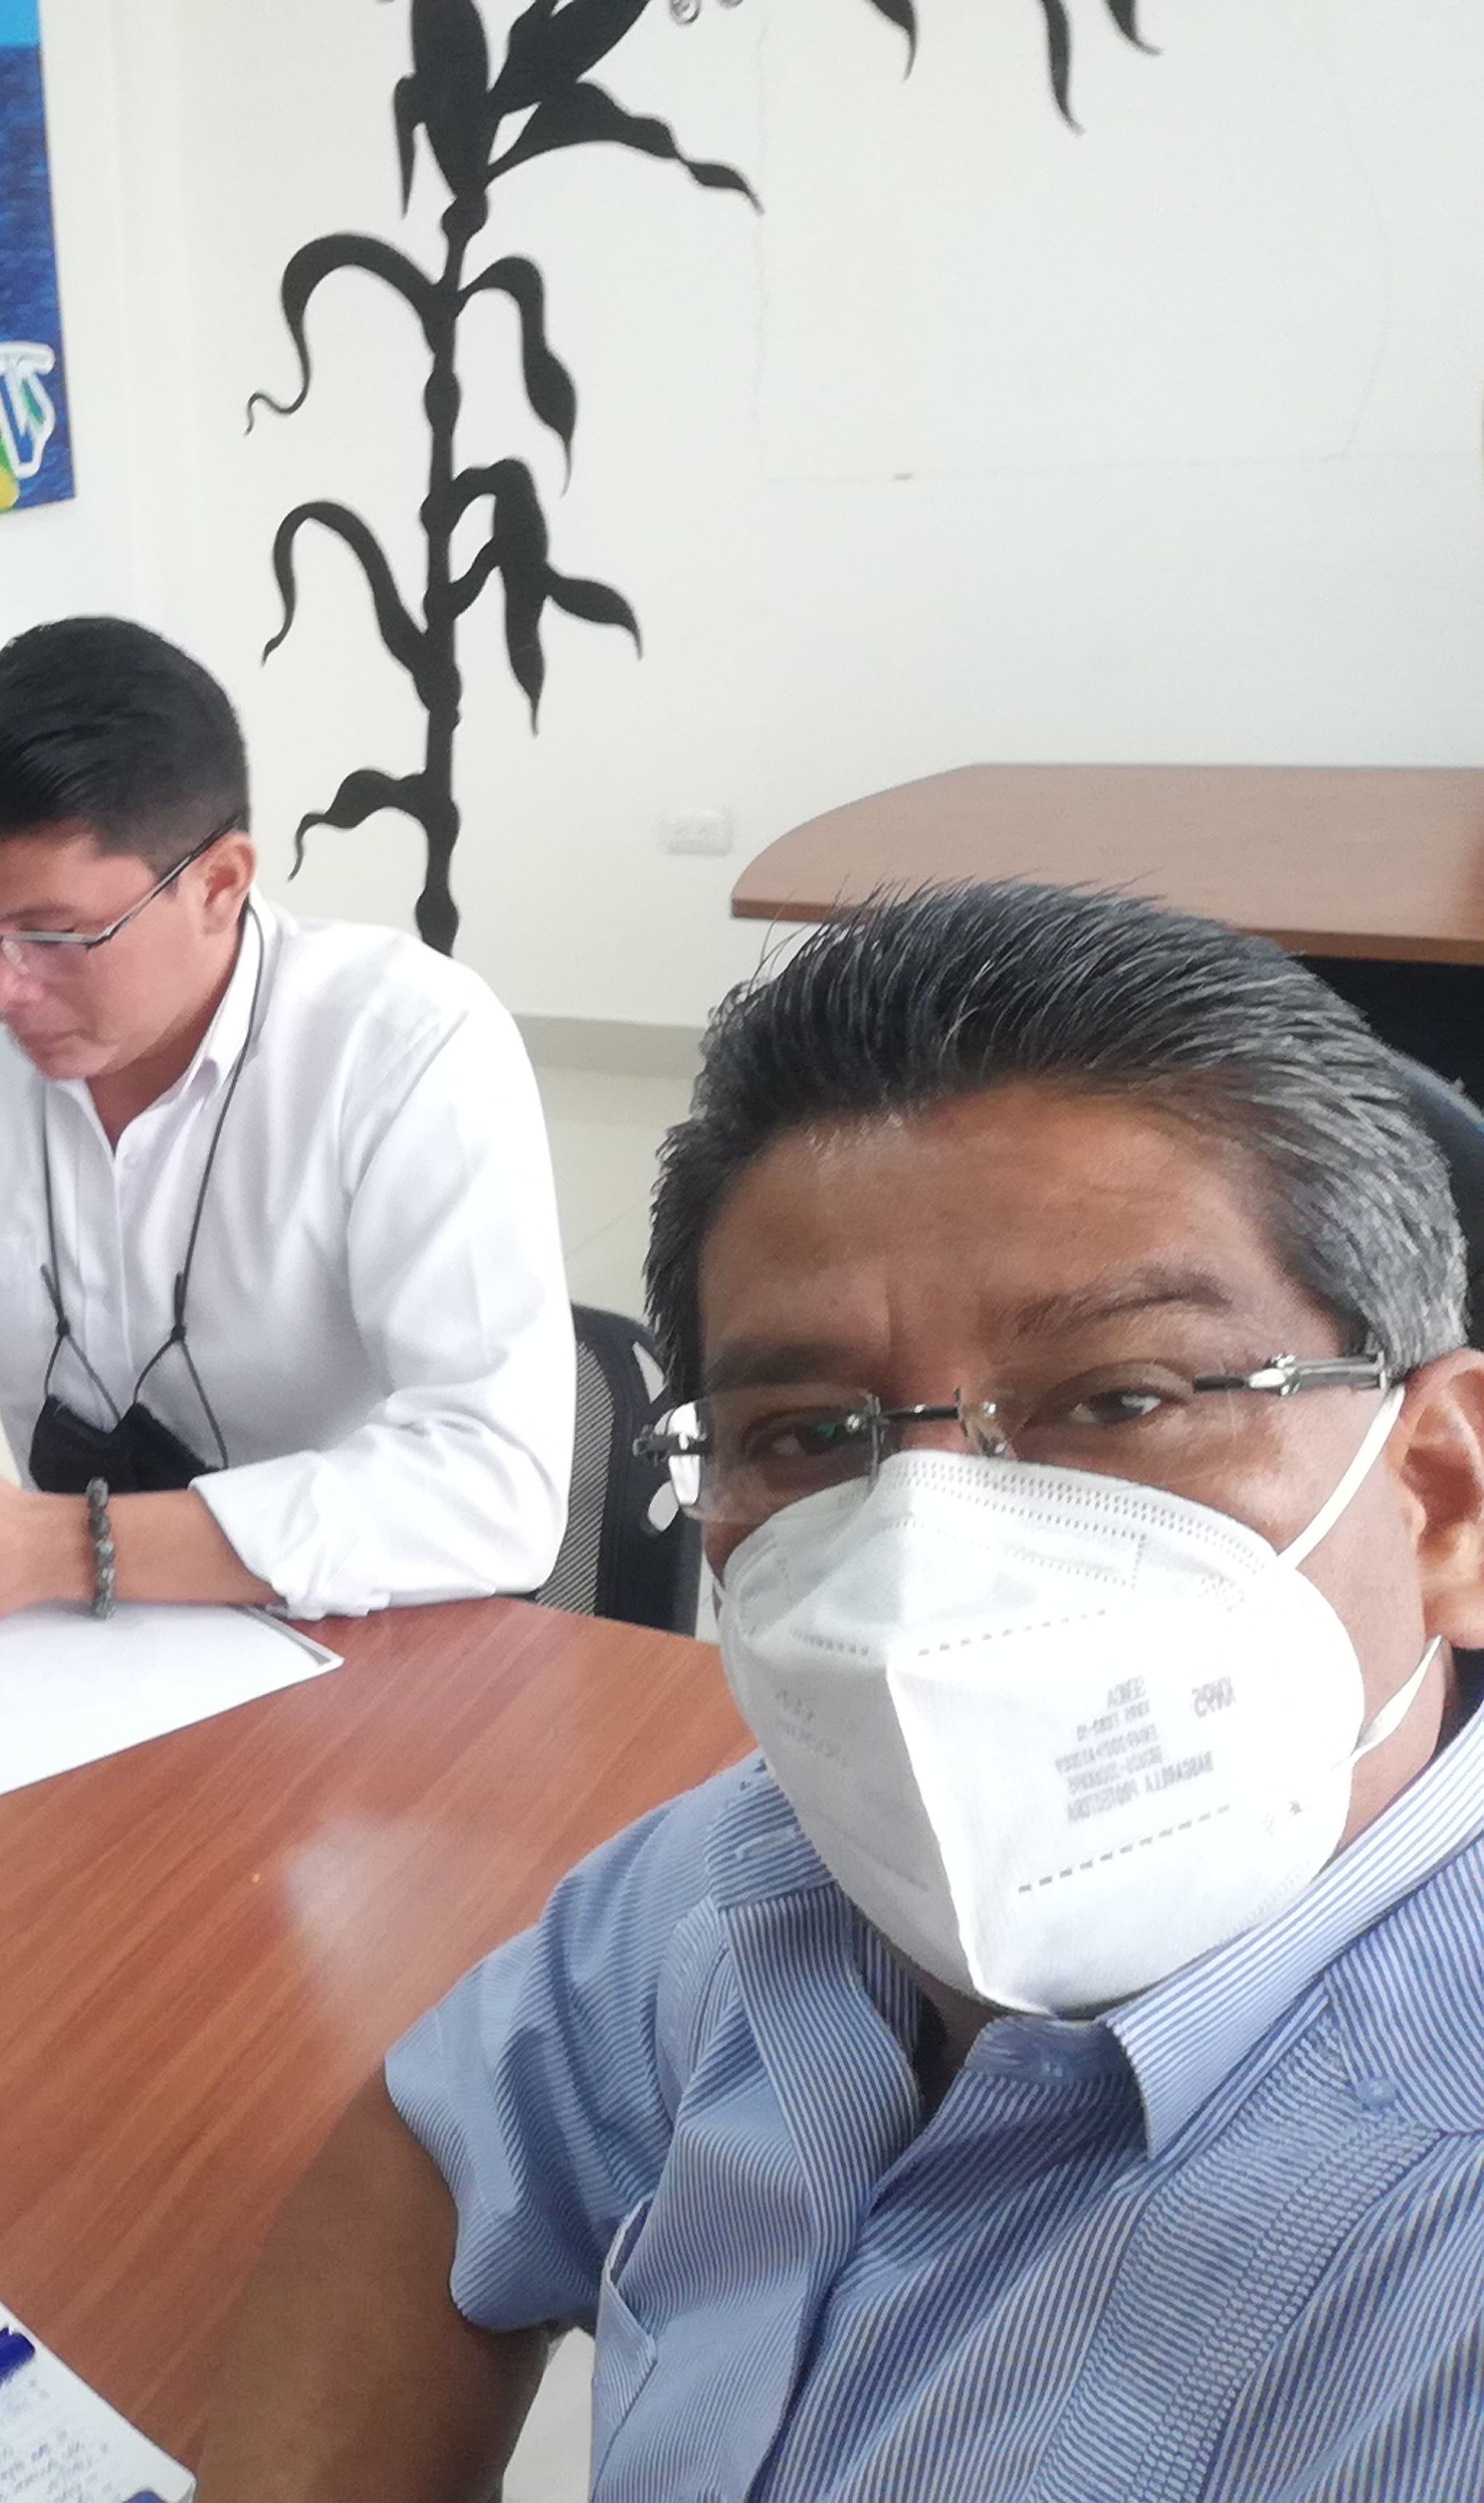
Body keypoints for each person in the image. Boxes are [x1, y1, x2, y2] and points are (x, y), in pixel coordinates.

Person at [198, 881, 1484, 2502]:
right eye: (811, 1435)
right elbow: (447, 2152)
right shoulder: (763, 1860)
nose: (928, 1570)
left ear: (1442, 1498)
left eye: (1120, 1398)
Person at [0, 617, 574, 1630]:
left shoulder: (406, 1047)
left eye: (55, 934)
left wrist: (58, 1547)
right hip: (74, 1646)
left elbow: (493, 1479)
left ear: (219, 885)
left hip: (359, 1633)